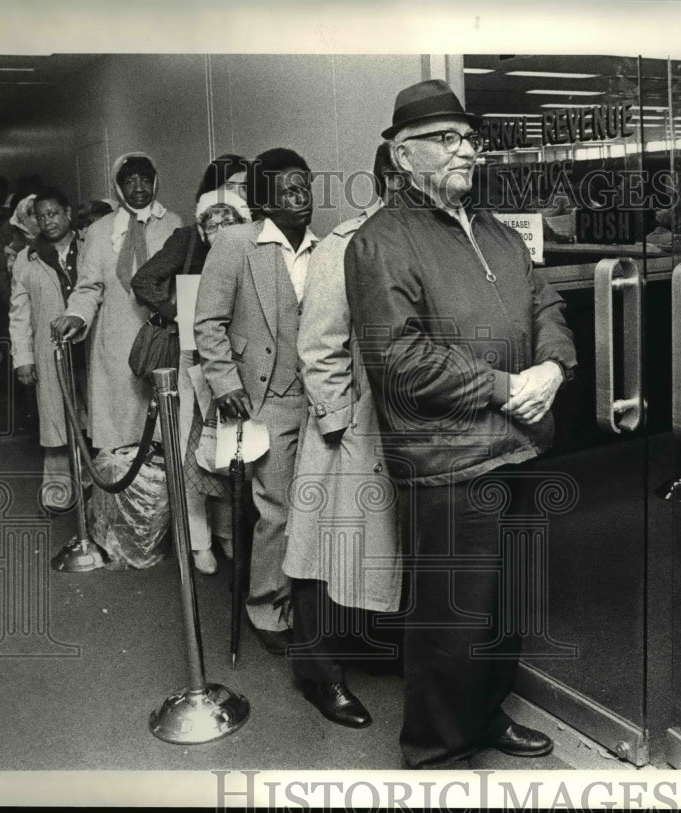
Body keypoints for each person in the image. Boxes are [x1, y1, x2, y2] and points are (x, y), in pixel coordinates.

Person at [344, 79, 578, 769]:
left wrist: (553, 370)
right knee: (452, 618)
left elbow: (548, 306)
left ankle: (484, 715)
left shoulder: (499, 232)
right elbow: (401, 360)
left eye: (468, 138)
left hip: (519, 446)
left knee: (504, 605)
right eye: (445, 139)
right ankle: (437, 750)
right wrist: (507, 386)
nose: (465, 150)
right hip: (448, 461)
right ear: (402, 155)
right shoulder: (381, 242)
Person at [282, 143, 404, 728]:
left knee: (384, 550)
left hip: (411, 429)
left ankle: (372, 644)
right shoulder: (345, 245)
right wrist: (340, 422)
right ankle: (319, 675)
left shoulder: (438, 240)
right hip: (355, 428)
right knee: (319, 550)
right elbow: (319, 345)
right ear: (387, 179)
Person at [194, 147, 318, 654]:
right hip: (264, 400)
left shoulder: (324, 247)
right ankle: (267, 609)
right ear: (264, 198)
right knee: (277, 512)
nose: (300, 197)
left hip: (317, 397)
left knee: (313, 509)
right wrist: (226, 386)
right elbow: (207, 323)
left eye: (304, 186)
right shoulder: (234, 243)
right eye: (286, 189)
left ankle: (309, 602)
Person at [132, 178, 252, 575]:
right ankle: (198, 540)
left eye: (229, 221)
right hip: (191, 359)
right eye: (212, 223)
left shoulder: (251, 249)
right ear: (202, 227)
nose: (220, 230)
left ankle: (229, 534)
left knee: (230, 448)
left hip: (237, 362)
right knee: (191, 448)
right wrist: (174, 312)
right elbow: (143, 280)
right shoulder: (187, 242)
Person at [50, 153, 182, 451]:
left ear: (155, 182)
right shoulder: (99, 231)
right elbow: (88, 287)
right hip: (115, 340)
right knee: (121, 426)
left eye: (145, 179)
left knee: (162, 425)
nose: (138, 187)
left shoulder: (173, 223)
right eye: (130, 180)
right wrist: (76, 315)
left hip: (161, 337)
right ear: (118, 186)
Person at [8, 187, 88, 511]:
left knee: (95, 420)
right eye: (41, 217)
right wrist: (23, 359)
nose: (48, 221)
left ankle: (97, 489)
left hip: (90, 349)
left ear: (68, 212)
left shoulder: (90, 246)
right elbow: (19, 314)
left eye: (53, 213)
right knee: (56, 424)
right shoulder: (28, 260)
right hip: (52, 351)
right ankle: (59, 494)